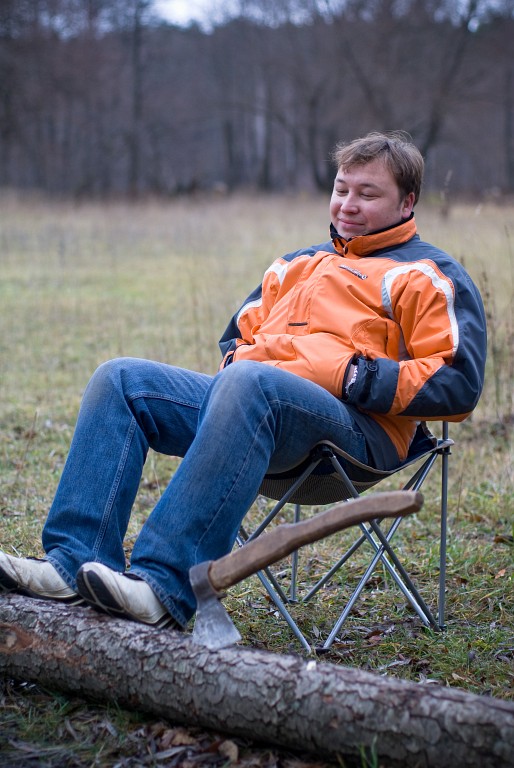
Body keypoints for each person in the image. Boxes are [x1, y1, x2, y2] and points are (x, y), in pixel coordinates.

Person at [0, 131, 487, 630]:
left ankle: (163, 583)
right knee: (120, 380)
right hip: (251, 415)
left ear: (407, 202)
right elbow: (236, 340)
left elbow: (457, 383)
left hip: (354, 436)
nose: (348, 204)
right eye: (342, 189)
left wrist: (353, 375)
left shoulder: (427, 274)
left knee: (249, 382)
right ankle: (73, 560)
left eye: (368, 194)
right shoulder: (295, 265)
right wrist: (255, 366)